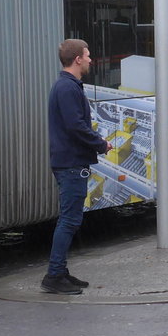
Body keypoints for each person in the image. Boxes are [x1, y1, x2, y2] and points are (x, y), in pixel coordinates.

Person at [43, 38, 112, 295]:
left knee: (70, 219)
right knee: (69, 220)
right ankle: (54, 275)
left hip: (70, 161)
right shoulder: (67, 88)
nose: (91, 59)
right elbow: (75, 126)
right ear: (77, 59)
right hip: (71, 162)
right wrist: (100, 143)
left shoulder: (67, 86)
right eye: (88, 55)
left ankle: (59, 271)